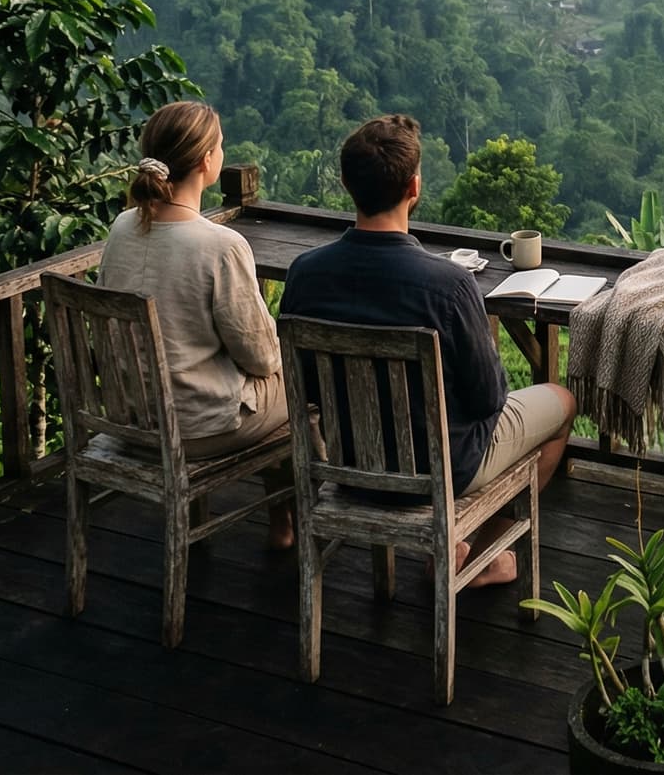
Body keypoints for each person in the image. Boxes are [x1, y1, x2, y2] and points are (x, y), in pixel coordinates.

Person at [280, 114, 576, 587]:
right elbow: (487, 401)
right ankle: (479, 554)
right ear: (414, 187)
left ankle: (463, 547)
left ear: (345, 184)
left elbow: (305, 387)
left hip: (347, 460)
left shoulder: (305, 273)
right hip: (445, 468)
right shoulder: (448, 285)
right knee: (562, 404)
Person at [97, 100, 294, 549]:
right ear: (207, 161)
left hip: (131, 412)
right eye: (220, 144)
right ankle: (289, 520)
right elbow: (261, 358)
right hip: (196, 426)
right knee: (300, 379)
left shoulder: (123, 227)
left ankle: (285, 521)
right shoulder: (219, 245)